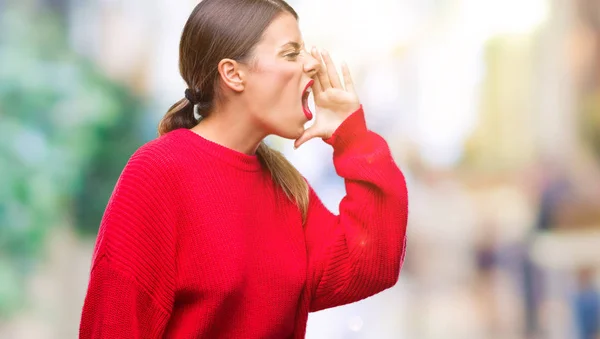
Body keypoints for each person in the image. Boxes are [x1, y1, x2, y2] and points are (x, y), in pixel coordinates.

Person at [79, 0, 409, 338]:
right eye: (291, 53)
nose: (311, 64)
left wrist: (352, 136)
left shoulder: (285, 187)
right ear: (233, 73)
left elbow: (373, 263)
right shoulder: (159, 173)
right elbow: (114, 324)